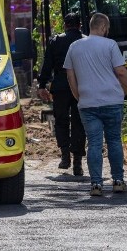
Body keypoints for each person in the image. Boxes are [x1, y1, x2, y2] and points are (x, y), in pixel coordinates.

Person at [64, 13, 127, 196]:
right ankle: (118, 180)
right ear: (104, 27)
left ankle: (96, 184)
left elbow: (70, 76)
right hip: (112, 101)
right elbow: (120, 72)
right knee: (114, 140)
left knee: (94, 143)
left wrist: (79, 97)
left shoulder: (74, 47)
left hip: (88, 103)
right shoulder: (110, 45)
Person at [37, 13, 86, 174]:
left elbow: (47, 64)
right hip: (81, 85)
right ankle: (78, 161)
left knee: (61, 120)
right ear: (79, 25)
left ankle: (65, 156)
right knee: (79, 121)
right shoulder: (86, 41)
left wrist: (42, 84)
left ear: (65, 25)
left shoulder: (56, 41)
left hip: (61, 86)